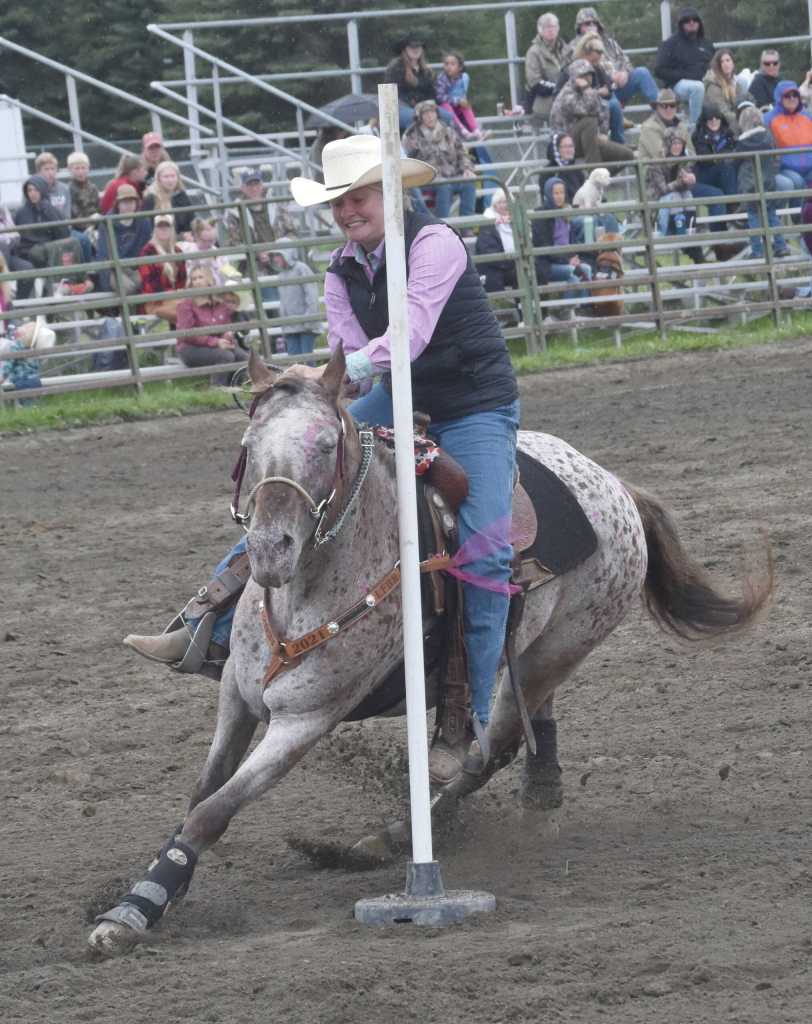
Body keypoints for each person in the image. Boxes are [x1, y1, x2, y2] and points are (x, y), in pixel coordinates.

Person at [125, 134, 519, 784]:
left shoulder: (435, 245)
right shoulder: (342, 269)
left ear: (388, 193)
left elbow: (410, 333)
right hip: (391, 395)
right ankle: (203, 617)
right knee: (296, 472)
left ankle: (466, 717)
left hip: (473, 406)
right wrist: (318, 389)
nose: (345, 212)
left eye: (356, 197)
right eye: (338, 202)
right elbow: (352, 366)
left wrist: (339, 369)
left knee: (485, 550)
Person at [564, 7, 658, 110]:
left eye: (594, 23)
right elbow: (573, 76)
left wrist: (625, 73)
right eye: (587, 23)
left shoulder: (610, 43)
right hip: (597, 94)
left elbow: (626, 62)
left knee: (642, 73)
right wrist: (610, 79)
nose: (591, 26)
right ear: (579, 27)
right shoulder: (573, 48)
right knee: (611, 103)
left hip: (619, 88)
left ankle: (662, 112)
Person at [402, 99, 478, 220]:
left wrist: (467, 169)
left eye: (432, 112)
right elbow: (406, 161)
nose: (430, 116)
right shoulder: (411, 136)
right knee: (444, 186)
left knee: (469, 182)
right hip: (427, 179)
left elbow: (462, 153)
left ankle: (467, 226)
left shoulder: (448, 131)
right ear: (420, 117)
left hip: (452, 175)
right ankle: (442, 225)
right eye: (425, 114)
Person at [550, 61, 634, 167]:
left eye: (590, 74)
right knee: (589, 121)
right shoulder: (567, 95)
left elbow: (603, 112)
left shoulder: (588, 92)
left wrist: (603, 133)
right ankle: (594, 171)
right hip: (565, 144)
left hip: (589, 140)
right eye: (582, 75)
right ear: (574, 77)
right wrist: (587, 89)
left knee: (627, 155)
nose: (588, 78)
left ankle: (599, 177)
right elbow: (589, 111)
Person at [735, 106, 791, 259]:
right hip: (768, 180)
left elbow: (734, 161)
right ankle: (781, 245)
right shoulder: (768, 137)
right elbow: (775, 157)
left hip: (749, 183)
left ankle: (757, 250)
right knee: (771, 214)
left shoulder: (741, 142)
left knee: (753, 216)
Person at [532, 177, 593, 314]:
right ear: (548, 194)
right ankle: (563, 311)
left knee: (586, 269)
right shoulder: (540, 215)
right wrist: (568, 260)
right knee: (573, 273)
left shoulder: (565, 213)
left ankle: (583, 310)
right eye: (556, 193)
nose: (559, 197)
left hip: (565, 260)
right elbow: (544, 247)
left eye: (562, 193)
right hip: (547, 264)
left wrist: (573, 256)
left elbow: (569, 242)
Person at [175, 264, 242, 383]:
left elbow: (227, 324)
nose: (197, 282)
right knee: (226, 356)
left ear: (209, 280)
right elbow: (186, 335)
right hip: (190, 349)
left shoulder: (220, 302)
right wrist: (216, 342)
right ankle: (217, 392)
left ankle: (240, 389)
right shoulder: (185, 304)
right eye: (194, 279)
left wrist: (227, 335)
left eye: (200, 277)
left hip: (218, 344)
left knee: (244, 357)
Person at [13, 176, 82, 285]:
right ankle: (58, 286)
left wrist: (48, 210)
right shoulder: (22, 212)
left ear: (42, 190)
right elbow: (25, 238)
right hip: (30, 250)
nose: (33, 193)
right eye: (29, 190)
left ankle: (79, 280)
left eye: (36, 190)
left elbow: (64, 234)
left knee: (74, 242)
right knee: (57, 248)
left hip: (49, 246)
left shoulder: (50, 208)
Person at [560, 32, 626, 145]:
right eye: (593, 60)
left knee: (613, 102)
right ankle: (612, 142)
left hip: (594, 108)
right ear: (585, 53)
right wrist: (598, 93)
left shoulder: (597, 67)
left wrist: (603, 91)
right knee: (611, 105)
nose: (595, 64)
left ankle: (618, 143)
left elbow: (609, 88)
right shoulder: (570, 70)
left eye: (598, 60)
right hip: (575, 115)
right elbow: (566, 99)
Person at [654, 7, 715, 125]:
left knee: (740, 82)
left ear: (699, 23)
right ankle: (695, 128)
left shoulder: (707, 44)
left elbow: (716, 65)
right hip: (678, 85)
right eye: (687, 20)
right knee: (697, 87)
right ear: (681, 24)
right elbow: (659, 70)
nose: (691, 22)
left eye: (695, 20)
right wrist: (685, 75)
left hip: (706, 82)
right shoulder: (670, 43)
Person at [35, 152, 94, 265]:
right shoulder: (33, 190)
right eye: (46, 169)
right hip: (44, 233)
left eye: (52, 169)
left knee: (83, 240)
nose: (50, 173)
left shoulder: (64, 188)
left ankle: (87, 272)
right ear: (39, 172)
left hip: (64, 229)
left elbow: (67, 215)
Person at [384, 35, 453, 132]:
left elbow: (432, 93)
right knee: (418, 119)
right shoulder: (396, 67)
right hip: (401, 107)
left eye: (418, 47)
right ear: (404, 49)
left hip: (424, 107)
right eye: (411, 47)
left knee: (448, 117)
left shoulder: (426, 70)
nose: (415, 50)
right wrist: (413, 103)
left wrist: (430, 105)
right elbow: (389, 93)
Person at [95, 183, 152, 295]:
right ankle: (126, 313)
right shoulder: (107, 222)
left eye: (132, 201)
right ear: (118, 204)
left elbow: (147, 249)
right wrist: (107, 278)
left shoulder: (144, 221)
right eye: (125, 202)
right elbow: (104, 254)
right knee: (128, 288)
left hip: (136, 266)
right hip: (114, 268)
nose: (129, 205)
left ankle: (141, 312)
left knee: (145, 283)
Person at [268, 239, 321, 356]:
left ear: (287, 253)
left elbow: (311, 295)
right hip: (290, 326)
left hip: (305, 325)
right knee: (294, 362)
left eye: (278, 254)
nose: (275, 259)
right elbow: (284, 301)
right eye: (274, 255)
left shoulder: (301, 269)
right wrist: (284, 320)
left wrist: (309, 320)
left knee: (306, 361)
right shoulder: (281, 275)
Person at [138, 214, 187, 325]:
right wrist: (174, 295)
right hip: (155, 301)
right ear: (155, 230)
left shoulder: (178, 251)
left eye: (167, 226)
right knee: (186, 311)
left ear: (172, 229)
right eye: (160, 226)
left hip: (177, 298)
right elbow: (150, 287)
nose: (163, 229)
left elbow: (183, 281)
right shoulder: (147, 252)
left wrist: (180, 294)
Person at [764, 81, 812, 190]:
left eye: (795, 95)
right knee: (797, 182)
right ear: (779, 98)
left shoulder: (808, 116)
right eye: (787, 96)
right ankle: (797, 207)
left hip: (809, 168)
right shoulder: (768, 119)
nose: (792, 98)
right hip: (784, 169)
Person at [525, 13, 566, 127]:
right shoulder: (533, 52)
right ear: (540, 30)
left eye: (553, 26)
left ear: (558, 29)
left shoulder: (566, 49)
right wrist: (559, 87)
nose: (551, 30)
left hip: (566, 96)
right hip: (542, 100)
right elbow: (534, 83)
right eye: (547, 27)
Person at [475, 188, 518, 294]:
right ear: (494, 205)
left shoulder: (518, 220)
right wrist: (512, 261)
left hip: (513, 265)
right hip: (493, 268)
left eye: (508, 202)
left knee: (525, 274)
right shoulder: (488, 222)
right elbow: (488, 252)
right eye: (501, 202)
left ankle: (525, 308)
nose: (505, 205)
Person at [436, 51, 485, 140]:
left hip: (457, 107)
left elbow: (463, 94)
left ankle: (476, 130)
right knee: (445, 105)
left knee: (465, 104)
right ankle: (463, 131)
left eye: (452, 64)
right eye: (446, 64)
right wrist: (457, 100)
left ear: (460, 67)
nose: (449, 67)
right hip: (446, 108)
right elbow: (439, 97)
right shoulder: (442, 79)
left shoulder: (464, 77)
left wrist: (462, 101)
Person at [692, 104, 738, 196]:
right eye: (710, 118)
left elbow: (735, 149)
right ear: (704, 120)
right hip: (705, 173)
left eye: (717, 118)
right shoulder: (698, 135)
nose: (714, 121)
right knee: (726, 169)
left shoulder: (728, 133)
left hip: (726, 170)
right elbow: (706, 160)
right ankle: (734, 203)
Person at [638, 88, 694, 162]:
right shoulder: (649, 127)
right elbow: (660, 156)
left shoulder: (681, 126)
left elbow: (692, 154)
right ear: (657, 107)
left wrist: (686, 170)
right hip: (655, 171)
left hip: (682, 169)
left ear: (676, 107)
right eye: (664, 106)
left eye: (672, 105)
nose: (668, 109)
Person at [141, 160, 195, 236]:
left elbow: (192, 220)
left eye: (173, 176)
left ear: (178, 178)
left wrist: (189, 234)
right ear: (159, 178)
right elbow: (147, 228)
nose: (170, 180)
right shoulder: (151, 198)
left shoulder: (182, 195)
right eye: (166, 177)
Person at [702, 50, 747, 134]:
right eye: (722, 62)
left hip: (735, 120)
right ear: (718, 66)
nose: (726, 64)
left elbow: (743, 103)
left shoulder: (735, 83)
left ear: (733, 63)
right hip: (719, 124)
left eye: (728, 60)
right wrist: (742, 119)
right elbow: (722, 112)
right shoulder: (713, 86)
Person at [0, 205, 34, 300]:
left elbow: (15, 234)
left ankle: (19, 304)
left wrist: (11, 242)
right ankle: (5, 301)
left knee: (28, 269)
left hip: (8, 254)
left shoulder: (3, 210)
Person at [539, 133, 586, 202]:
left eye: (571, 146)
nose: (569, 149)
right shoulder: (548, 173)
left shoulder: (577, 172)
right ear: (557, 149)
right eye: (565, 146)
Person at [66, 151, 100, 223]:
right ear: (70, 169)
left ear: (88, 169)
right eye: (77, 168)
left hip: (96, 226)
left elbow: (98, 210)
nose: (80, 172)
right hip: (78, 229)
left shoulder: (93, 188)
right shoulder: (68, 190)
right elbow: (74, 216)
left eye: (83, 168)